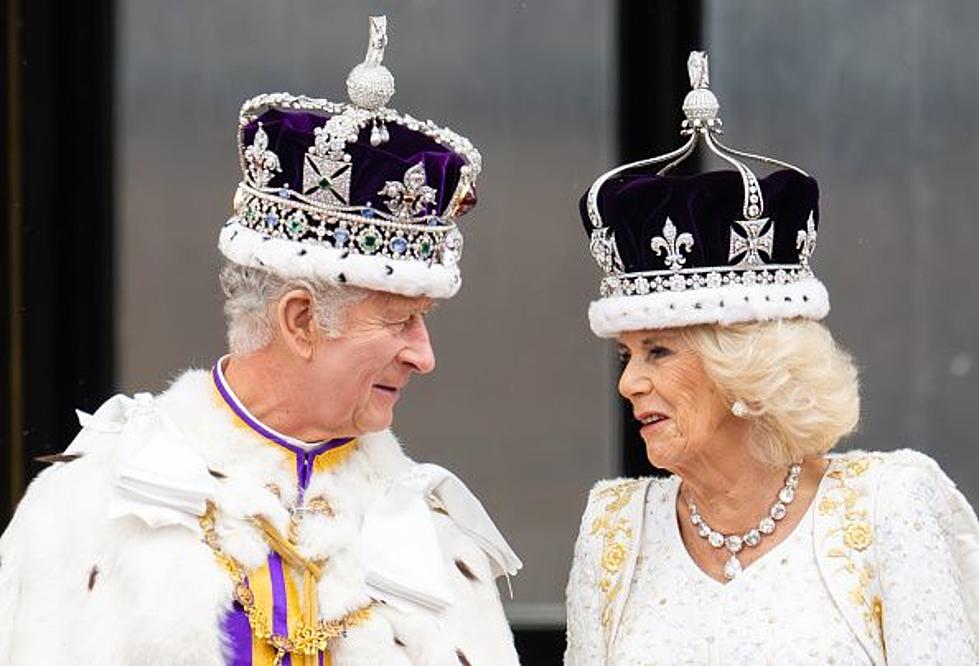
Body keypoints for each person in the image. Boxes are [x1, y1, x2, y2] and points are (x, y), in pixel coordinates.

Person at [0, 16, 521, 666]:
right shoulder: (90, 507)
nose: (423, 354)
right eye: (398, 321)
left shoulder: (432, 535)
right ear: (300, 320)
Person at [564, 51, 978, 665]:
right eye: (627, 354)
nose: (629, 382)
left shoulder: (890, 506)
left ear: (745, 365)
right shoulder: (614, 530)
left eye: (658, 351)